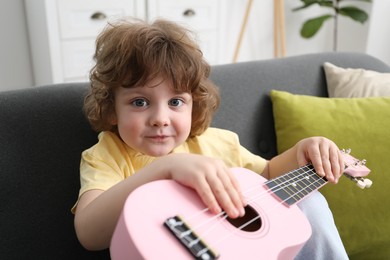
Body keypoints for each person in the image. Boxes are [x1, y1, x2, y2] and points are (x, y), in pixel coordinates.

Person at [72, 18, 348, 259]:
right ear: (112, 110)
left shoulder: (216, 143)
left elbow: (268, 175)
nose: (160, 118)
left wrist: (304, 149)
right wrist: (164, 168)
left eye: (176, 101)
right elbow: (88, 234)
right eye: (140, 102)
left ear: (195, 105)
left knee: (309, 203)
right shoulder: (106, 155)